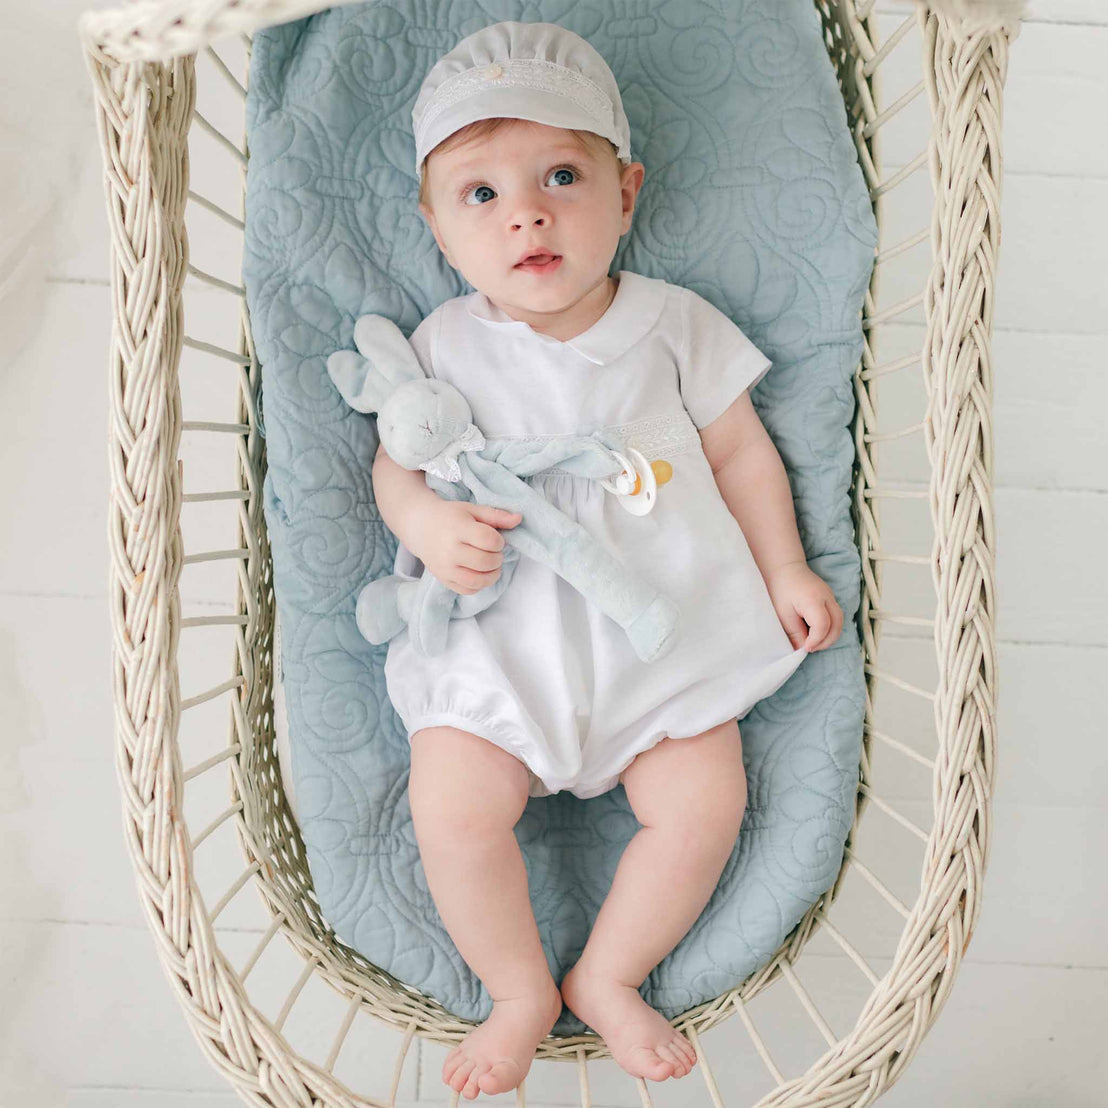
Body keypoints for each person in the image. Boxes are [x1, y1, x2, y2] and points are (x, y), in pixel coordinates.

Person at [372, 20, 844, 1101]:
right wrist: (421, 525)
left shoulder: (674, 324)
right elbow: (396, 467)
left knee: (701, 804)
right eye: (479, 195)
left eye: (561, 176)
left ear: (626, 192)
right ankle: (517, 987)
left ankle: (610, 972)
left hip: (661, 635)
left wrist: (783, 569)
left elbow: (741, 453)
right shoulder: (442, 345)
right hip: (503, 645)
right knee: (451, 808)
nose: (527, 212)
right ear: (435, 227)